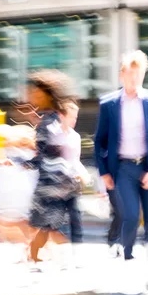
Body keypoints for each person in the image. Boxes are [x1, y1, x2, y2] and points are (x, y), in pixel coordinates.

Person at [94, 50, 148, 266]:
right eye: (130, 74)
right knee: (131, 215)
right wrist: (104, 172)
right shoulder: (108, 104)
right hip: (124, 168)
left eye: (139, 74)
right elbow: (100, 141)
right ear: (122, 75)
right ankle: (128, 254)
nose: (134, 79)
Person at [20, 70, 80, 266]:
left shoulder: (51, 120)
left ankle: (37, 256)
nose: (30, 95)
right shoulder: (48, 118)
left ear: (45, 93)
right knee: (45, 226)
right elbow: (45, 153)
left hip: (53, 185)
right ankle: (36, 256)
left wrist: (25, 163)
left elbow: (50, 153)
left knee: (43, 225)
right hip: (52, 183)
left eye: (33, 92)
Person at [57, 100, 91, 264]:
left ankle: (77, 255)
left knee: (76, 219)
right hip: (54, 185)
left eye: (76, 118)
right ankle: (57, 255)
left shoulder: (75, 137)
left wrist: (83, 175)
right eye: (71, 117)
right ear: (61, 116)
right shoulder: (52, 135)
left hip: (71, 185)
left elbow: (75, 161)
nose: (74, 121)